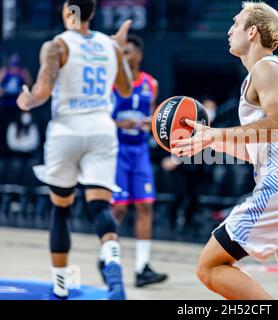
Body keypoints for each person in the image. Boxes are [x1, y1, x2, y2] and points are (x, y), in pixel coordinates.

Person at [172, 2, 278, 300]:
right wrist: (211, 140)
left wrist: (218, 132)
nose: (230, 30)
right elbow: (263, 149)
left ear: (253, 32)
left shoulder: (265, 66)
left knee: (209, 267)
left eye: (236, 23)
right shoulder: (268, 71)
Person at [16, 0, 133, 300]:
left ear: (68, 11)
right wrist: (117, 50)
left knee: (61, 208)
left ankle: (60, 287)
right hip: (102, 131)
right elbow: (125, 90)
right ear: (92, 13)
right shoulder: (111, 46)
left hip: (67, 131)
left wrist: (27, 100)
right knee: (99, 208)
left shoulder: (57, 45)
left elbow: (42, 91)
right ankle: (116, 277)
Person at [99, 34, 168, 287]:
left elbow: (153, 116)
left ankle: (142, 268)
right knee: (118, 208)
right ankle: (105, 256)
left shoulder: (151, 83)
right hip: (116, 151)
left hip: (139, 151)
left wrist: (152, 123)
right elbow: (99, 118)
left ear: (137, 55)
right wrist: (120, 123)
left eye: (126, 53)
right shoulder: (111, 83)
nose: (123, 57)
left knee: (145, 206)